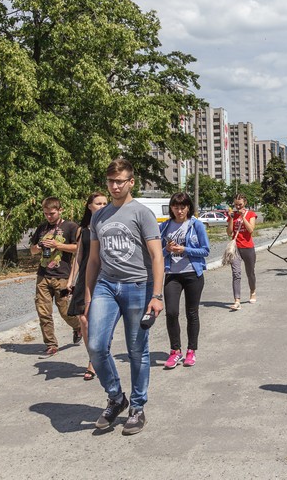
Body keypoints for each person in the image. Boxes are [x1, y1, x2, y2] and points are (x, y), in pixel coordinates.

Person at [84, 158, 164, 435]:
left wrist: (157, 295)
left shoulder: (141, 213)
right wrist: (88, 293)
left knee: (136, 350)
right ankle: (116, 397)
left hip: (138, 287)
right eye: (110, 181)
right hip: (106, 285)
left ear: (131, 182)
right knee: (95, 345)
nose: (115, 186)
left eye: (120, 181)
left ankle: (137, 407)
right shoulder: (99, 216)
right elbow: (93, 260)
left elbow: (156, 256)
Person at [160, 192, 210, 369]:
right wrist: (167, 249)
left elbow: (205, 250)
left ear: (189, 208)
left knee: (192, 313)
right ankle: (175, 351)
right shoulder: (165, 226)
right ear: (171, 208)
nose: (179, 211)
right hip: (171, 274)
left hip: (192, 274)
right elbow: (158, 253)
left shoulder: (196, 225)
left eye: (183, 207)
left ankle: (191, 350)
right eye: (176, 207)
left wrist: (185, 249)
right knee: (171, 312)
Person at [30, 196, 81, 358]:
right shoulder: (42, 228)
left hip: (62, 276)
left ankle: (79, 327)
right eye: (46, 213)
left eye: (52, 213)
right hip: (43, 275)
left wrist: (57, 245)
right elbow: (32, 250)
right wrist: (39, 247)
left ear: (60, 210)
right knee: (43, 312)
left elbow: (79, 249)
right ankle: (51, 345)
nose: (49, 216)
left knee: (65, 311)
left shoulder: (71, 227)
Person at [67, 192, 109, 379]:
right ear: (89, 206)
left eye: (104, 203)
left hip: (105, 276)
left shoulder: (109, 225)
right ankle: (93, 357)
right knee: (83, 320)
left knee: (96, 320)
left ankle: (96, 361)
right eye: (98, 203)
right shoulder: (82, 230)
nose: (102, 206)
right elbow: (79, 256)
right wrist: (71, 279)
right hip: (85, 276)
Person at [227, 194, 257, 310]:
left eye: (240, 204)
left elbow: (250, 230)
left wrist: (243, 217)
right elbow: (229, 233)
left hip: (248, 247)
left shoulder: (251, 214)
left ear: (245, 203)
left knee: (250, 273)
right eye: (236, 204)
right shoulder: (233, 215)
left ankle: (253, 291)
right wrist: (231, 219)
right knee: (236, 274)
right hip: (235, 248)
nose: (238, 207)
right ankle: (237, 300)